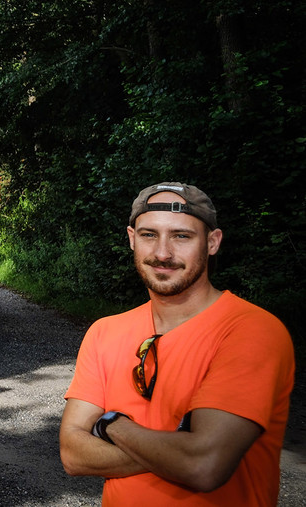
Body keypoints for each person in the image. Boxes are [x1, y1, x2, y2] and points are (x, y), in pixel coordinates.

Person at [59, 182, 295, 506]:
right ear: (131, 239)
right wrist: (178, 448)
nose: (162, 253)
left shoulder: (252, 331)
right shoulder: (104, 332)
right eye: (148, 235)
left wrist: (113, 425)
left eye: (181, 236)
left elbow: (203, 464)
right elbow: (72, 454)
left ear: (212, 242)